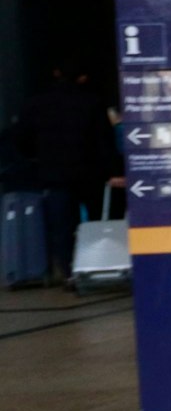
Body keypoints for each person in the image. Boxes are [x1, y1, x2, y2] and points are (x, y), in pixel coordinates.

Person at [13, 60, 117, 279]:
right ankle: (95, 267)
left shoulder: (35, 104)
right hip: (90, 173)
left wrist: (38, 158)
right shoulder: (92, 102)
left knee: (61, 227)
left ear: (56, 73)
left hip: (54, 173)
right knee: (96, 221)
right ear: (83, 78)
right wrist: (109, 170)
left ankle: (69, 270)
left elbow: (22, 140)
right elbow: (104, 142)